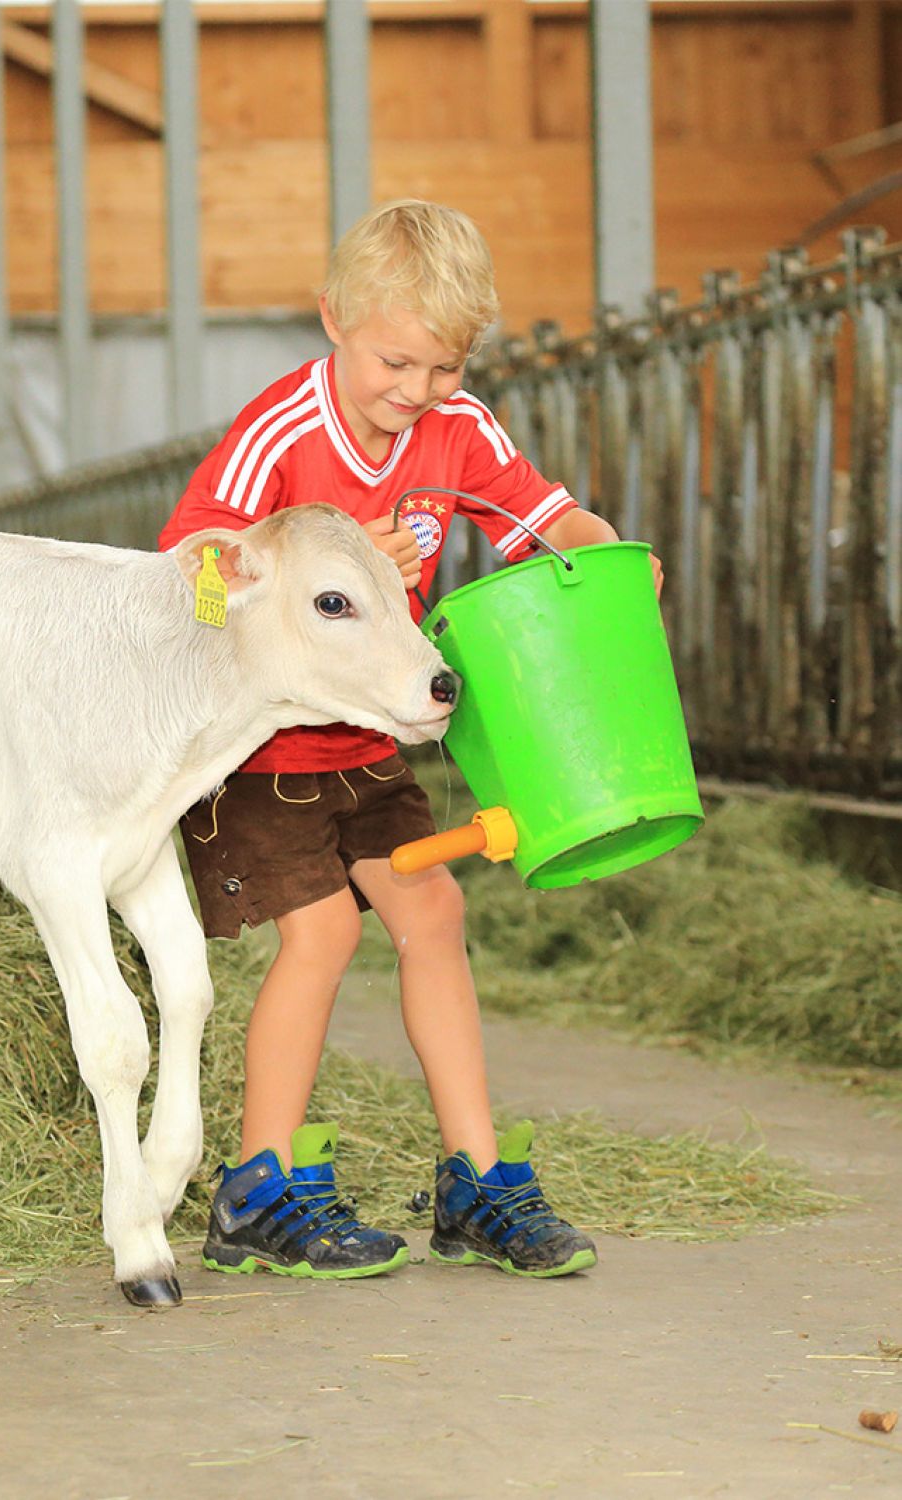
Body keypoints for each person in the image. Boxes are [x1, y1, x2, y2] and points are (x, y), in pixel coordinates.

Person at [162, 200, 660, 1281]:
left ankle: (477, 1185)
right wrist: (309, 564)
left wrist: (608, 554)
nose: (416, 390)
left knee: (433, 911)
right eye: (396, 360)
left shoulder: (457, 429)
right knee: (326, 937)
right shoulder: (278, 436)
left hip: (369, 744)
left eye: (443, 366)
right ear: (334, 318)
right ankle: (256, 1189)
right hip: (265, 754)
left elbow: (545, 516)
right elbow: (191, 573)